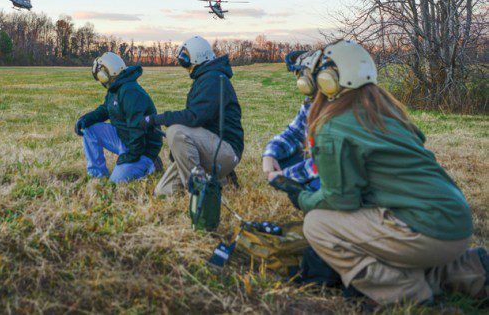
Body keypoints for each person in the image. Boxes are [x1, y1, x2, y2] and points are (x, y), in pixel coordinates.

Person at [284, 39, 488, 305]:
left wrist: (302, 198)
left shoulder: (333, 127)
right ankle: (469, 269)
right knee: (376, 235)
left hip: (426, 231)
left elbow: (341, 200)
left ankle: (404, 293)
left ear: (327, 81)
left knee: (318, 224)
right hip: (456, 225)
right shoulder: (387, 114)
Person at [142, 36, 244, 196]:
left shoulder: (213, 79)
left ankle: (201, 192)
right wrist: (177, 152)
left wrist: (155, 119)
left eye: (185, 58)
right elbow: (197, 124)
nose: (183, 63)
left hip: (225, 150)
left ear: (197, 56)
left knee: (175, 131)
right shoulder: (205, 78)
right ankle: (219, 180)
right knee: (163, 192)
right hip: (210, 148)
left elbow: (194, 117)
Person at [74, 52, 163, 183]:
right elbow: (106, 109)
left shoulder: (130, 91)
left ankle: (151, 164)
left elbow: (138, 130)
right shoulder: (115, 88)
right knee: (90, 129)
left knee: (115, 183)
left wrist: (129, 156)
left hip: (142, 148)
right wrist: (86, 119)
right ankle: (96, 174)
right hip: (125, 137)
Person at [262, 50, 321, 191]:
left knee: (316, 188)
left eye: (301, 75)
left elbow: (327, 164)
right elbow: (294, 133)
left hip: (334, 176)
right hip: (321, 165)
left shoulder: (340, 109)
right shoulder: (311, 103)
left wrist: (285, 175)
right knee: (280, 158)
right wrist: (269, 154)